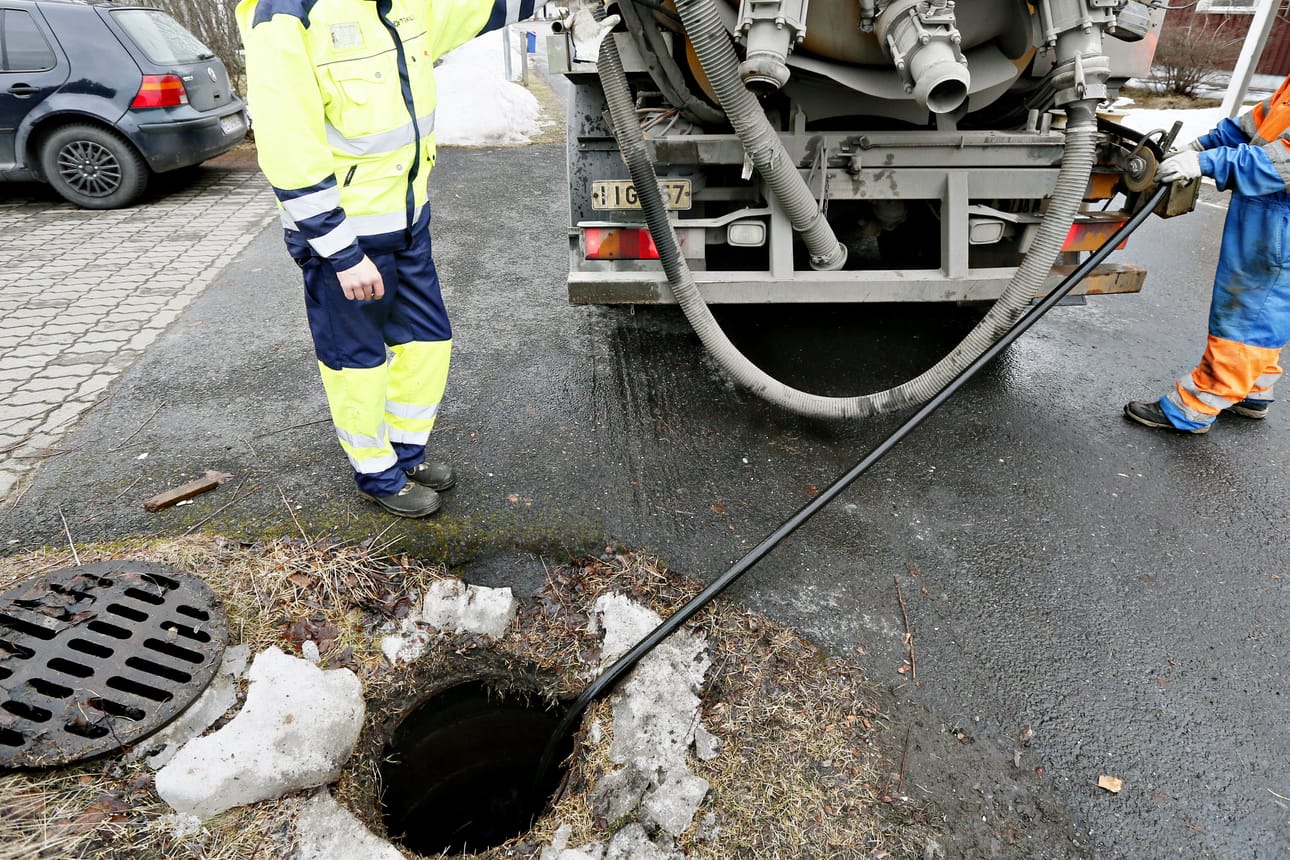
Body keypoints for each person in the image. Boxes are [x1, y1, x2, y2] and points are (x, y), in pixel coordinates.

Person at [235, 0, 612, 516]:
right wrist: (341, 253)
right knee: (357, 362)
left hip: (409, 223)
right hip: (344, 239)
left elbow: (479, 8)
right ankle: (376, 473)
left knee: (427, 341)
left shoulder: (404, 4)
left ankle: (406, 453)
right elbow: (287, 147)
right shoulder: (286, 19)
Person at [1124, 75, 1290, 435]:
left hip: (1281, 217)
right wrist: (1200, 145)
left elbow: (1284, 161)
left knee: (1250, 312)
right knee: (1266, 308)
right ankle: (1254, 389)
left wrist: (1210, 163)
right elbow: (1255, 126)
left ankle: (1195, 407)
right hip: (1268, 211)